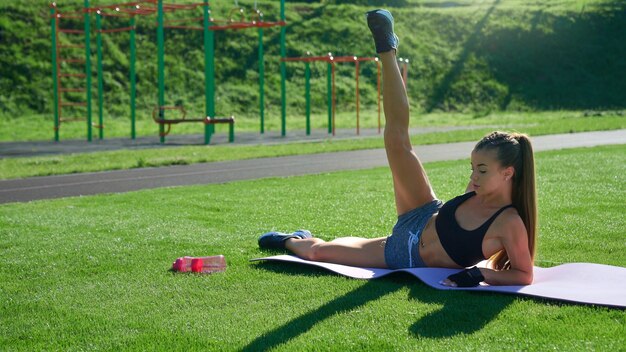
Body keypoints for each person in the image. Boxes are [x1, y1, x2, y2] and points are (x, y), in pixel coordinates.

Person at [258, 9, 537, 287]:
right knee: (396, 140)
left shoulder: (509, 222)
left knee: (316, 252)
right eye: (473, 168)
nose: (474, 177)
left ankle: (292, 239)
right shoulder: (477, 190)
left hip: (404, 255)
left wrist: (480, 274)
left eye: (483, 170)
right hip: (422, 212)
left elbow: (523, 274)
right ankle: (386, 48)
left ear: (507, 173)